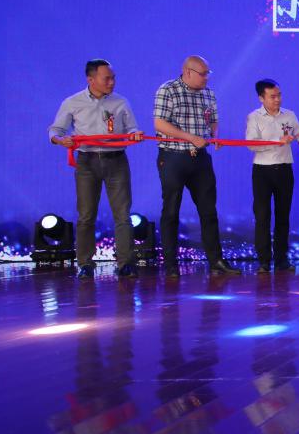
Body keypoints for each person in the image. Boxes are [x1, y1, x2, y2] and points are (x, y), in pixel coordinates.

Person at [48, 59, 143, 278]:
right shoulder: (73, 102)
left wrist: (134, 135)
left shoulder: (121, 102)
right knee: (86, 215)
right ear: (91, 80)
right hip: (87, 162)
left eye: (113, 78)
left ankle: (126, 263)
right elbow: (55, 130)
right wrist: (61, 140)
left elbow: (132, 128)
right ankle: (85, 264)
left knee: (123, 215)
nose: (112, 82)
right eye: (106, 78)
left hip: (116, 160)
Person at [153, 55, 240, 276]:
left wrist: (215, 136)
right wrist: (190, 137)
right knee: (171, 211)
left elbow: (213, 120)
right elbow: (159, 123)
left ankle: (216, 261)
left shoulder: (208, 94)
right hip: (173, 157)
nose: (206, 78)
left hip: (200, 158)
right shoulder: (168, 90)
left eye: (208, 74)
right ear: (188, 72)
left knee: (209, 211)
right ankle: (170, 264)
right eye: (203, 74)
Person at [245, 79, 299, 273]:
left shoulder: (289, 115)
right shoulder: (254, 117)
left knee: (283, 216)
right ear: (261, 98)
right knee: (262, 216)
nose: (277, 99)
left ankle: (281, 260)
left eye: (279, 95)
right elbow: (251, 144)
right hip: (262, 172)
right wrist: (277, 141)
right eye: (272, 96)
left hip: (285, 170)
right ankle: (263, 261)